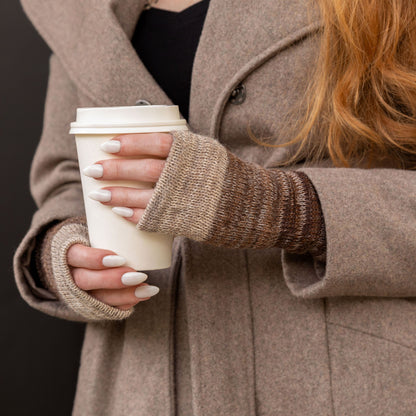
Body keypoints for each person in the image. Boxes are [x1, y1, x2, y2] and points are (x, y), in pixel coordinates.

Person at [14, 0, 416, 414]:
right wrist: (65, 254)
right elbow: (66, 174)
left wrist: (275, 208)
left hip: (344, 383)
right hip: (137, 387)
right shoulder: (82, 10)